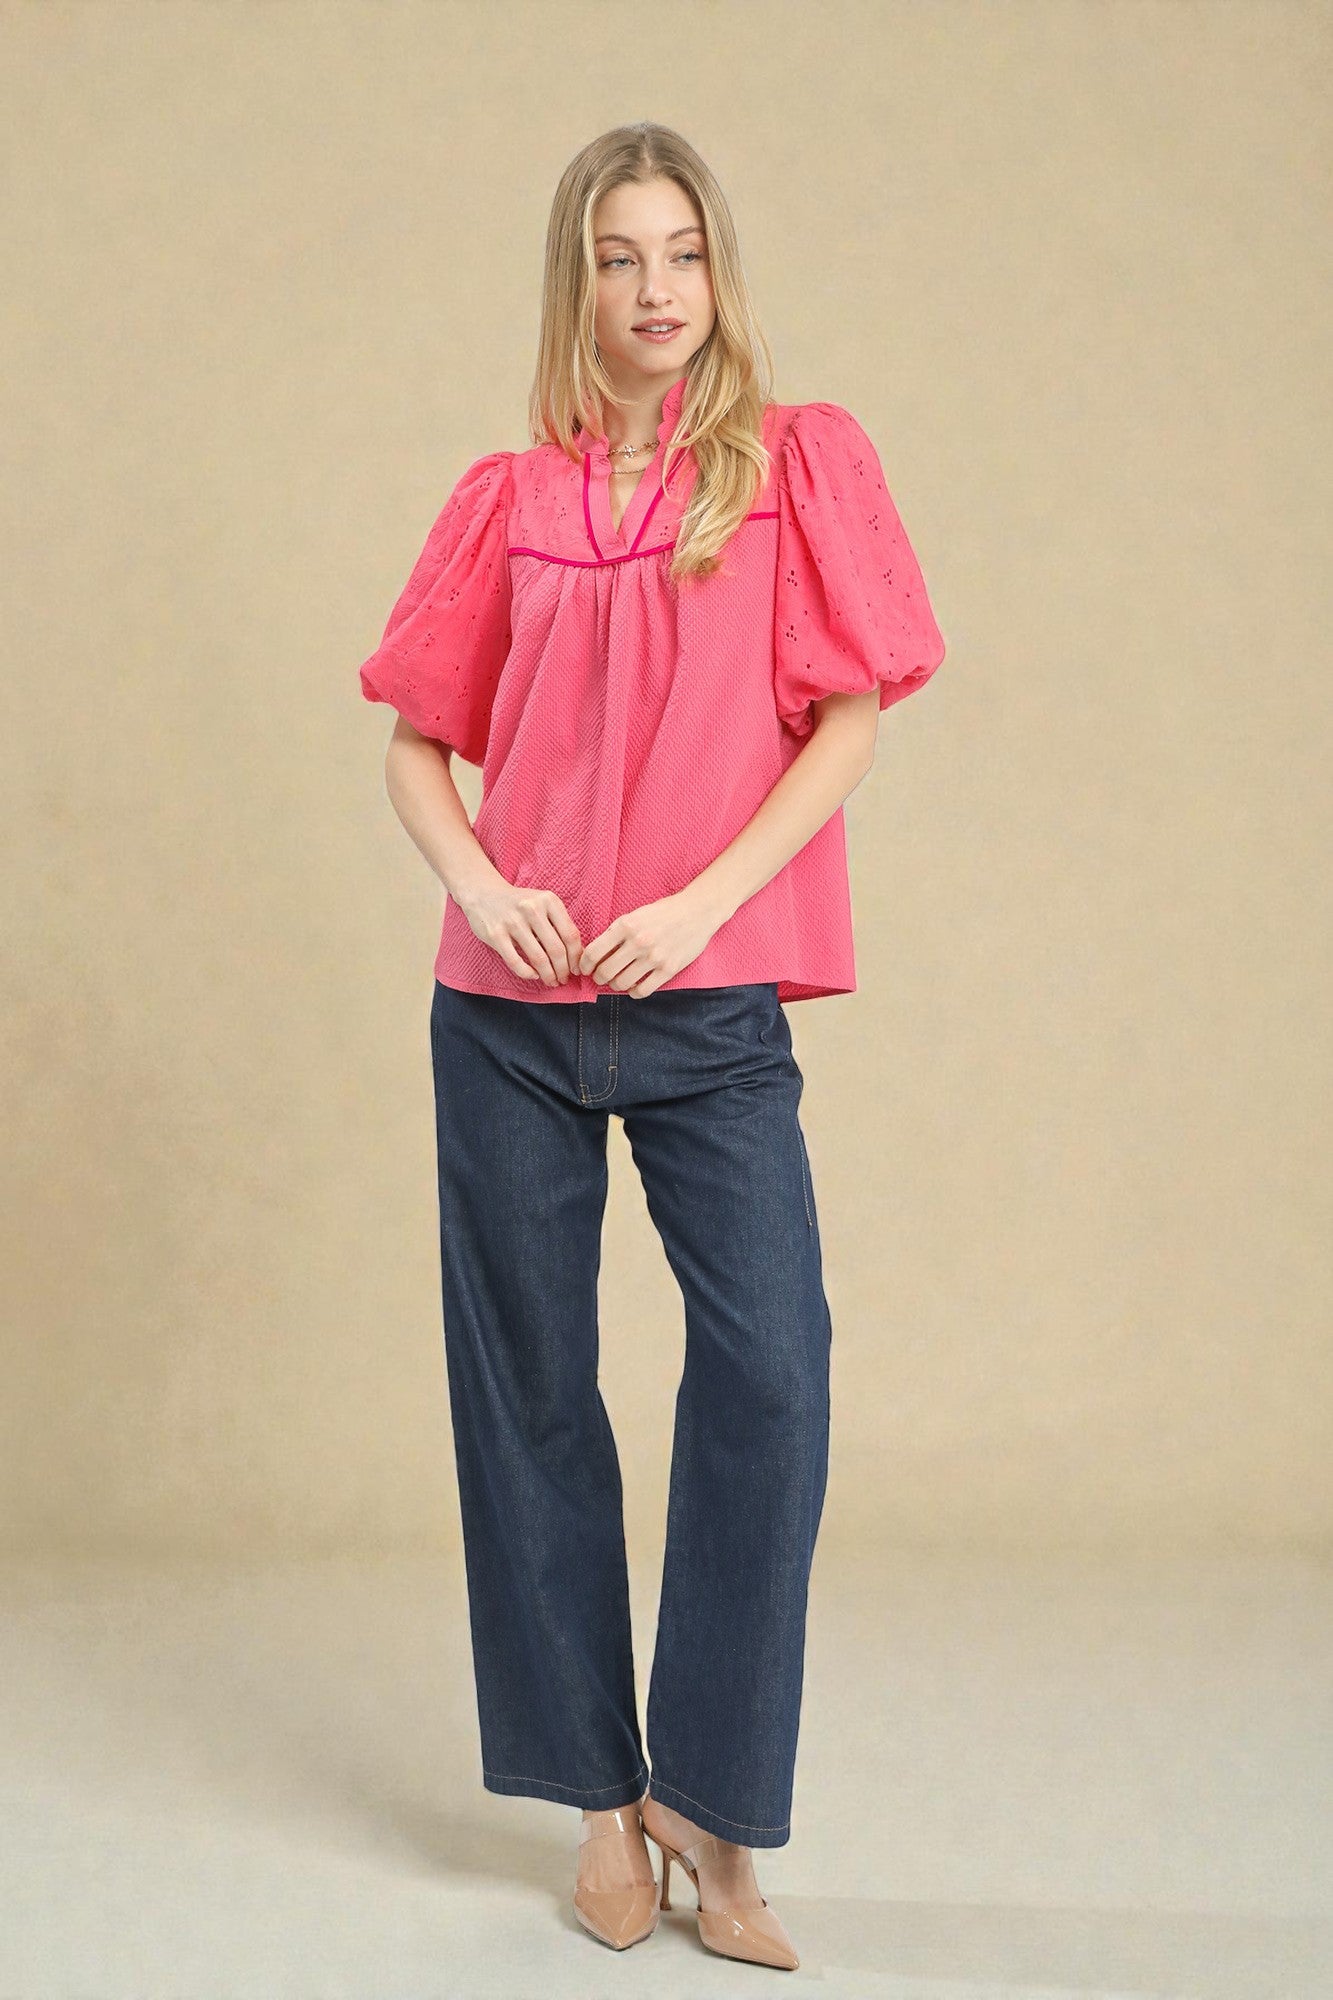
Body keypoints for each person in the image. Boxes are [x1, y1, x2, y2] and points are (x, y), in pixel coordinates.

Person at [357, 122, 945, 1971]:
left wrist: (702, 907)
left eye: (681, 252)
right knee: (528, 1402)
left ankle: (711, 1805)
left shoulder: (791, 468)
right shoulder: (502, 498)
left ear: (719, 270)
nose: (656, 291)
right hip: (507, 1024)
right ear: (578, 281)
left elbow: (847, 720)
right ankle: (601, 1810)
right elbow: (415, 750)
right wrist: (484, 880)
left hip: (706, 1013)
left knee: (771, 1376)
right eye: (619, 257)